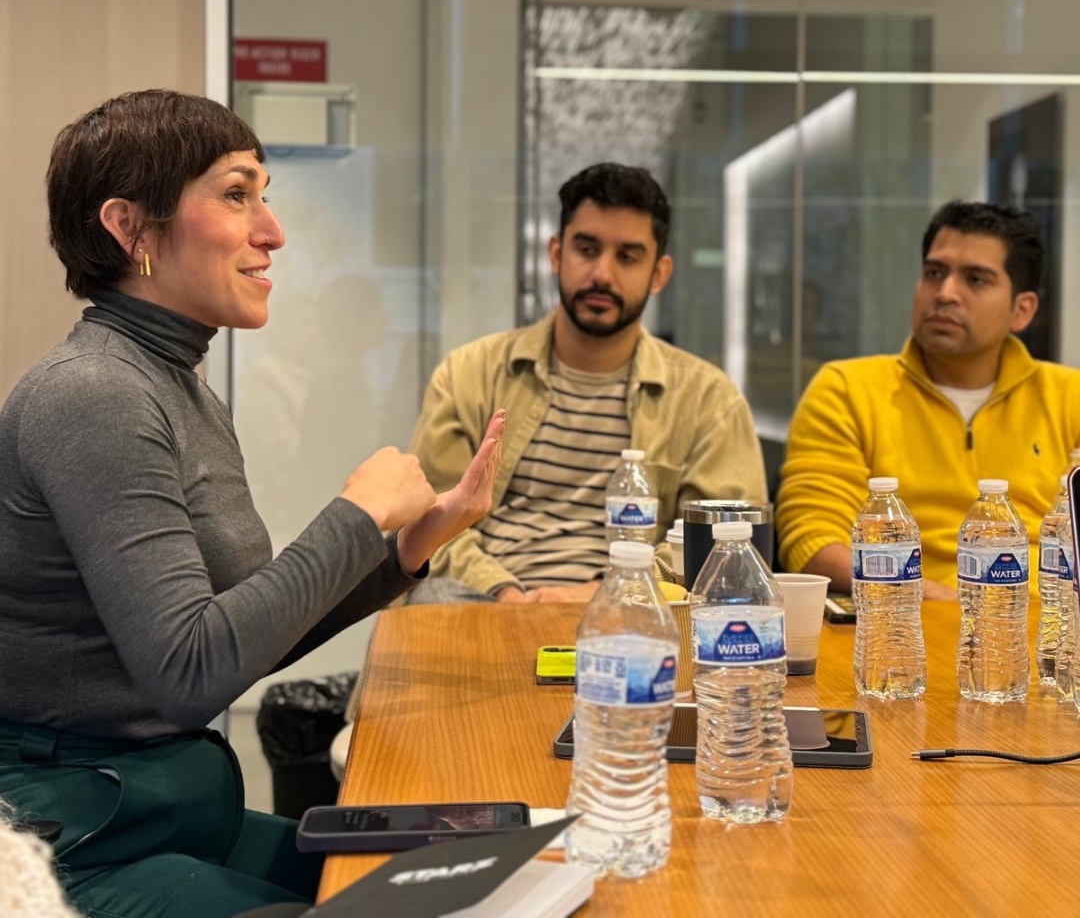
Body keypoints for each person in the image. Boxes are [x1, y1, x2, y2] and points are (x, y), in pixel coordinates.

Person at [0, 90, 505, 918]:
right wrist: (353, 517)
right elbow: (191, 672)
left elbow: (239, 641)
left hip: (171, 811)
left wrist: (404, 551)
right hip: (79, 840)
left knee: (453, 886)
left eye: (262, 196)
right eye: (237, 196)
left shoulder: (177, 388)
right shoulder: (92, 395)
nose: (272, 231)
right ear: (130, 228)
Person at [409, 162, 766, 604]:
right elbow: (429, 525)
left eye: (628, 256)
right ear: (557, 254)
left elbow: (722, 546)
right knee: (433, 598)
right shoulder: (469, 374)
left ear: (659, 274)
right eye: (587, 249)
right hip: (485, 600)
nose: (602, 274)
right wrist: (507, 595)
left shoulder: (710, 401)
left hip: (639, 609)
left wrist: (609, 593)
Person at [777, 199, 1080, 598]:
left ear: (1021, 311)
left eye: (975, 279)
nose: (945, 293)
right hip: (899, 629)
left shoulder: (1068, 396)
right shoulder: (847, 388)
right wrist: (941, 599)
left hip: (1041, 632)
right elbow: (813, 540)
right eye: (934, 273)